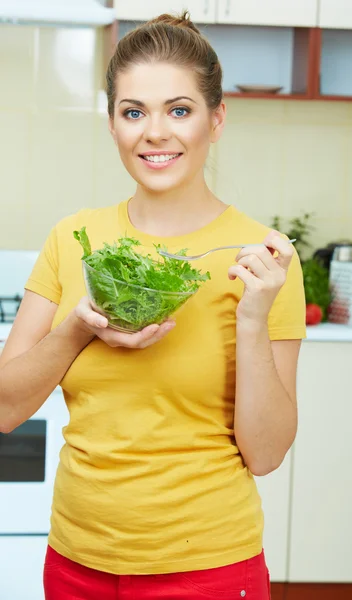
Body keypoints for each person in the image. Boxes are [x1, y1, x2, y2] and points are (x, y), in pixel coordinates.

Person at [0, 11, 306, 600]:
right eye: (133, 111)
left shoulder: (262, 261)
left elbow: (265, 455)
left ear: (216, 120)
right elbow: (6, 409)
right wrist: (78, 329)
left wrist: (252, 315)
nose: (155, 132)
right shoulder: (73, 241)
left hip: (210, 569)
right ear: (112, 124)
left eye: (180, 110)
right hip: (76, 561)